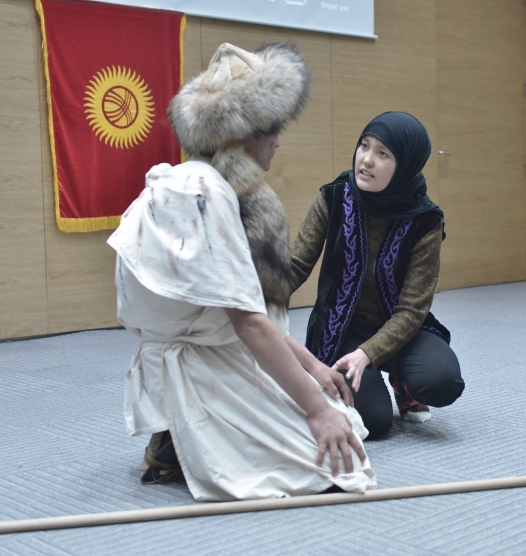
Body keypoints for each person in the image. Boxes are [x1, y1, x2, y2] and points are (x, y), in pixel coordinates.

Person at [107, 42, 375, 501]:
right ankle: (178, 435)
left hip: (212, 340)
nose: (277, 141)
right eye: (272, 129)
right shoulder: (205, 192)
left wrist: (312, 368)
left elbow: (246, 309)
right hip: (203, 349)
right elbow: (247, 321)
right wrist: (314, 409)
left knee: (347, 421)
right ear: (246, 130)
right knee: (337, 463)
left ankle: (181, 434)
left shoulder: (206, 180)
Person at [291, 111, 464, 439]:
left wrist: (369, 353)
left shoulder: (425, 221)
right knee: (374, 421)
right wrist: (249, 299)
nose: (366, 160)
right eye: (364, 146)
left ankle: (404, 382)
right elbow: (296, 265)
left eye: (383, 154)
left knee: (442, 381)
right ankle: (367, 382)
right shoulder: (334, 197)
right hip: (343, 330)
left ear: (406, 165)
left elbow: (412, 310)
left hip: (400, 329)